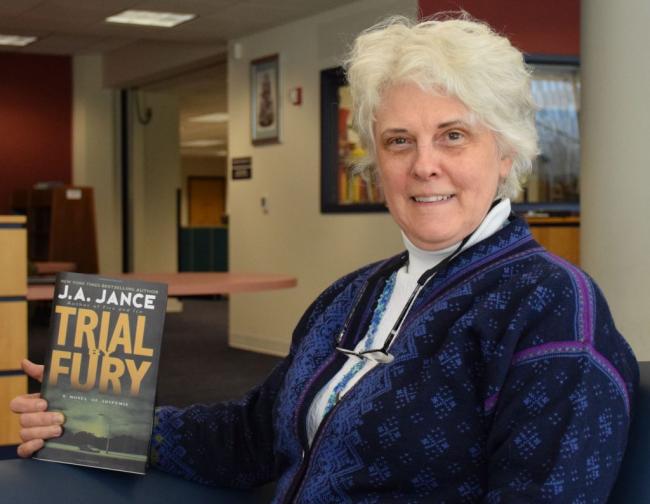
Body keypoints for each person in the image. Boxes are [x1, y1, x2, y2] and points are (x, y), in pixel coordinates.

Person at [10, 14, 639, 503]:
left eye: (454, 135)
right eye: (399, 141)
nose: (424, 164)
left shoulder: (551, 307)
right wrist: (95, 423)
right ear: (376, 163)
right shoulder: (352, 296)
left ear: (506, 153)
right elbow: (252, 438)